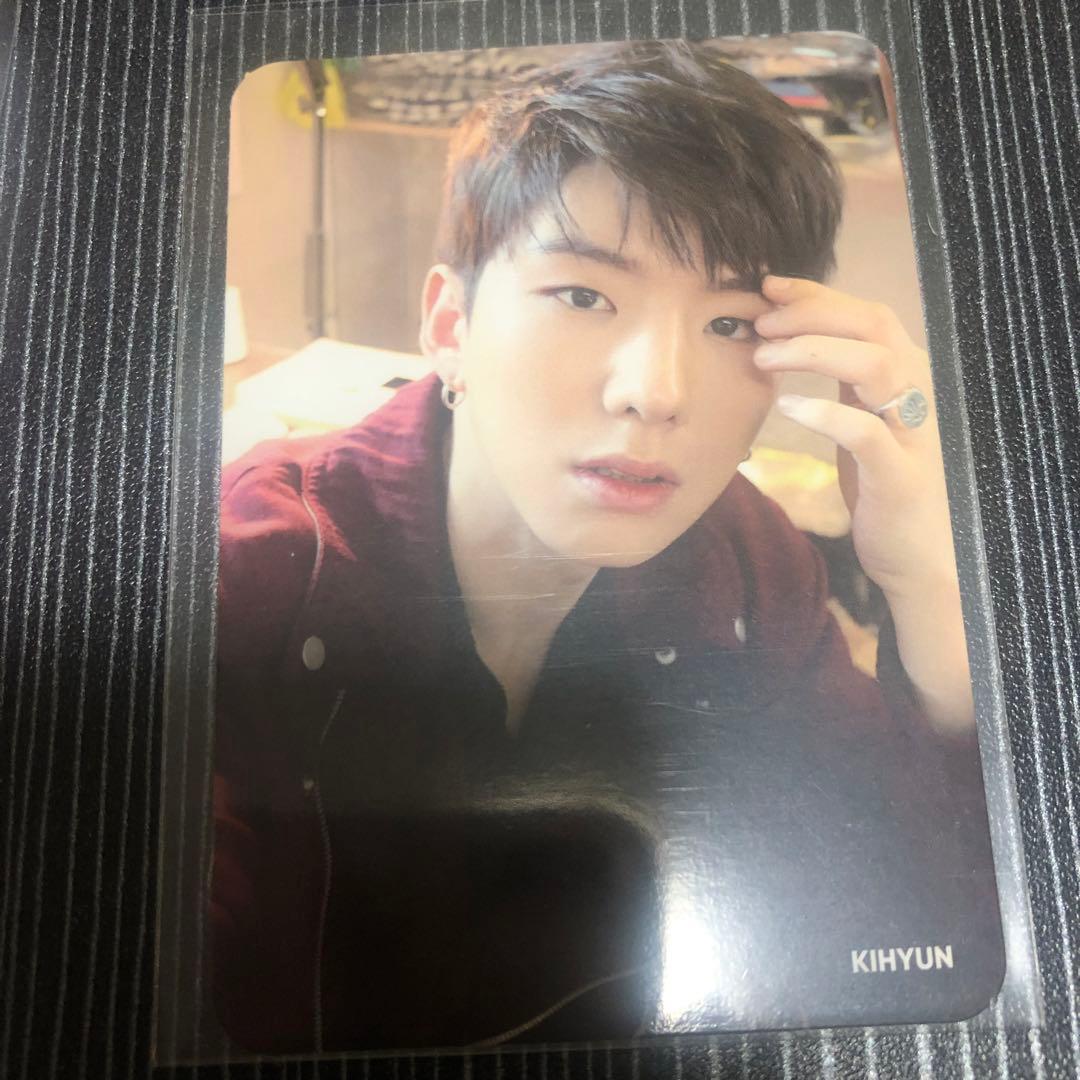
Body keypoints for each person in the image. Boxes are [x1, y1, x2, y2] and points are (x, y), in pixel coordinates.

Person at [210, 41, 1002, 1055]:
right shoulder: (253, 568)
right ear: (449, 325)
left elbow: (926, 921)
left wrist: (930, 582)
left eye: (730, 323)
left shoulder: (744, 565)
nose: (656, 392)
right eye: (583, 296)